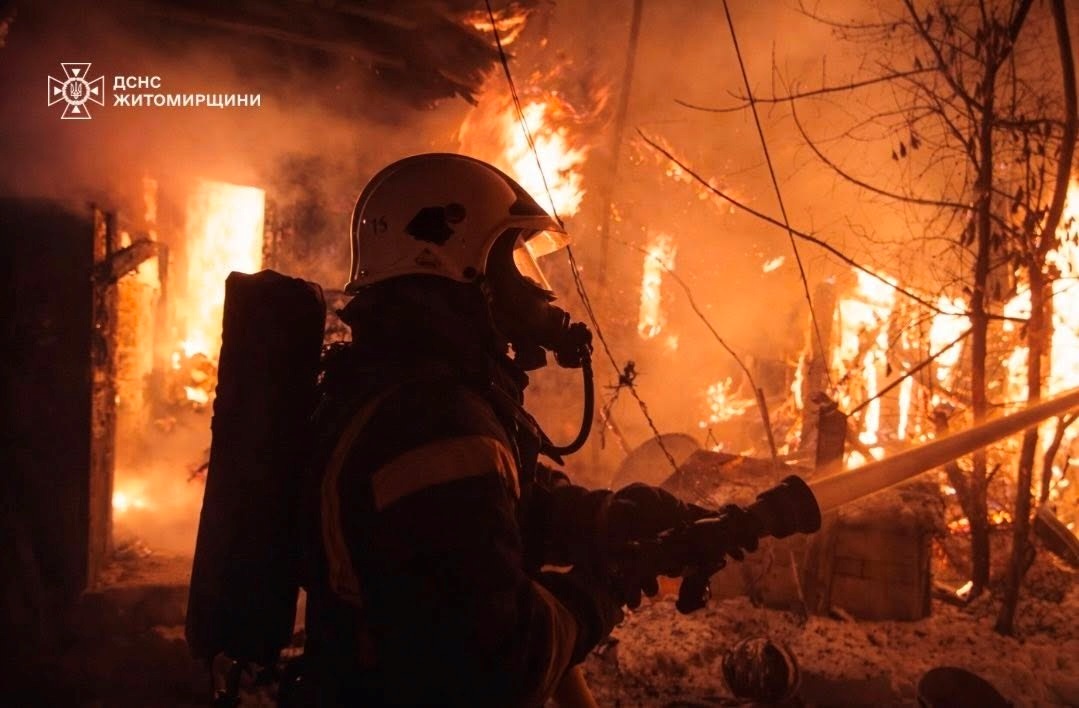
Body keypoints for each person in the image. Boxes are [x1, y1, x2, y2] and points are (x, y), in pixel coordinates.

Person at [299, 153, 749, 706]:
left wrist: (605, 518)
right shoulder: (437, 425)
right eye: (511, 265)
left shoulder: (407, 391)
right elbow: (505, 664)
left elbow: (487, 517)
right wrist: (605, 586)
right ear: (456, 267)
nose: (538, 293)